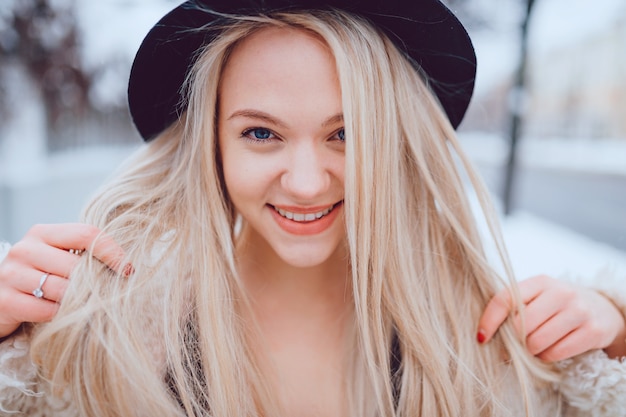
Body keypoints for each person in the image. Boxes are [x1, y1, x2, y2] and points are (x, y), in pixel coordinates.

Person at [0, 1, 625, 416]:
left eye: (346, 133)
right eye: (261, 133)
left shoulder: (480, 338)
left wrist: (615, 334)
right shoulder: (107, 338)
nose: (304, 182)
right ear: (211, 144)